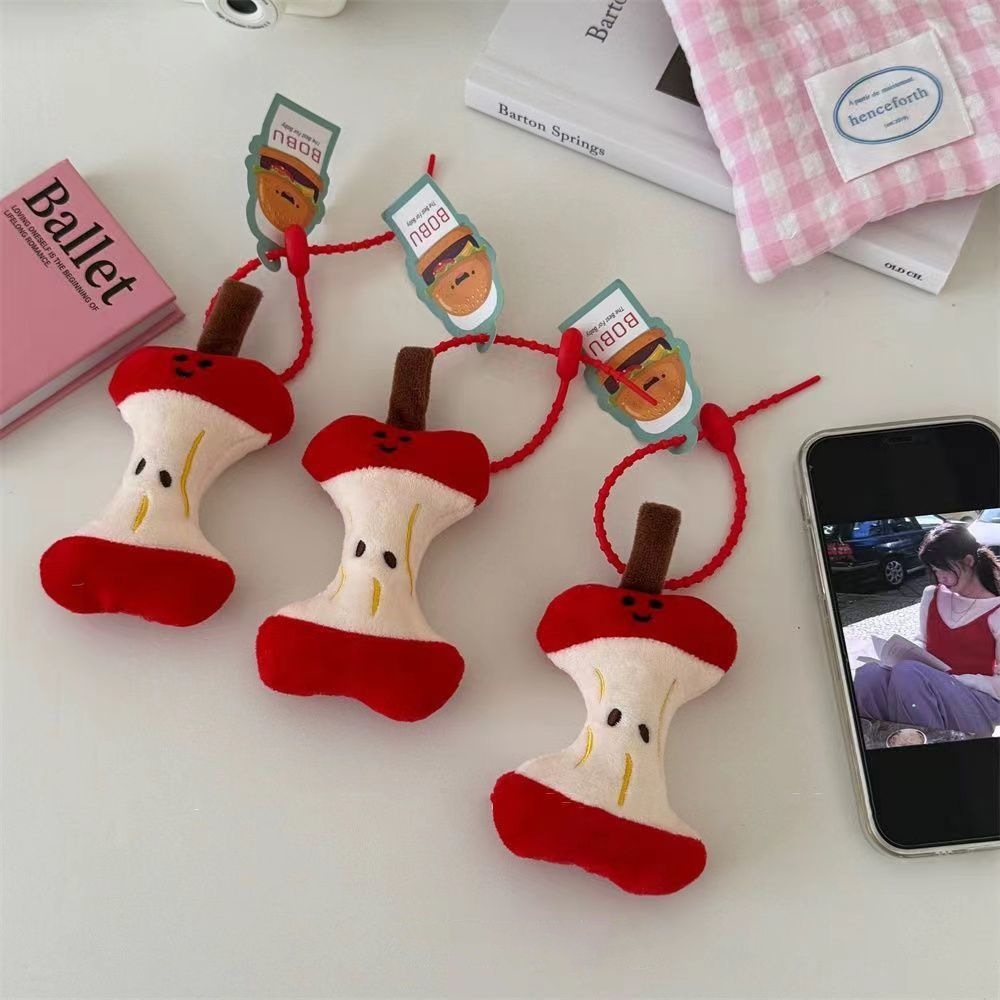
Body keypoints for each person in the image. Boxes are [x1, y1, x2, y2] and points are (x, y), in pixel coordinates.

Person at [853, 522, 1000, 737]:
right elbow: (923, 641)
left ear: (969, 561)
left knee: (908, 674)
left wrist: (956, 680)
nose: (940, 577)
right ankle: (877, 742)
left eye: (944, 569)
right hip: (923, 686)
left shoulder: (997, 611)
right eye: (935, 570)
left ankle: (930, 747)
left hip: (977, 700)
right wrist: (902, 655)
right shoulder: (932, 595)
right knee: (869, 675)